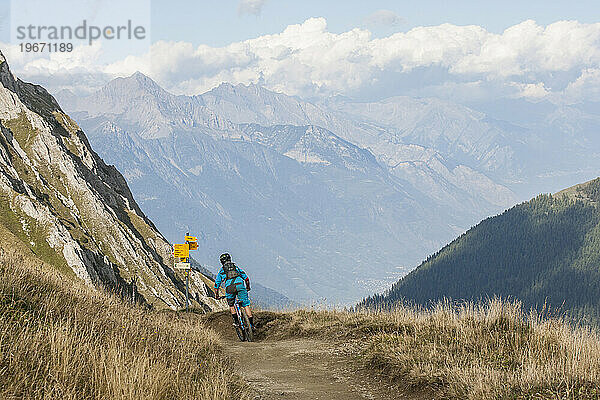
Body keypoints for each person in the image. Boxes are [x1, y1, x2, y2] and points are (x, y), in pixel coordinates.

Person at [214, 253, 253, 327]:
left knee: (231, 305)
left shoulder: (222, 271)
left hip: (230, 288)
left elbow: (216, 285)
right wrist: (248, 287)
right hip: (240, 285)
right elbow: (246, 278)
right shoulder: (236, 267)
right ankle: (251, 325)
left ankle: (236, 322)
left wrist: (217, 295)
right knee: (246, 305)